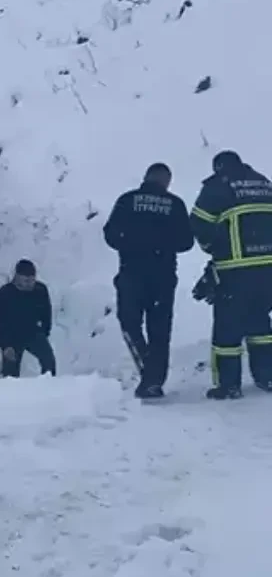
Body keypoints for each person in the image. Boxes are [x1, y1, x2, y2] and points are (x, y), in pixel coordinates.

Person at [102, 162, 195, 399]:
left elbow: (110, 234)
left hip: (131, 272)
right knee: (160, 330)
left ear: (146, 177)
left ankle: (148, 370)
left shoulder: (127, 200)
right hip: (163, 276)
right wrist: (162, 243)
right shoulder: (175, 204)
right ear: (167, 181)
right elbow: (186, 242)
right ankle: (154, 380)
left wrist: (131, 242)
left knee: (129, 323)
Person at [189, 150, 272, 400]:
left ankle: (229, 385)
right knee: (260, 324)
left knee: (227, 329)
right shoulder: (264, 183)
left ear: (219, 167)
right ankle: (267, 376)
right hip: (268, 269)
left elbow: (199, 225)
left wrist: (214, 250)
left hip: (236, 270)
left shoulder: (218, 187)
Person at [0, 259, 56, 377]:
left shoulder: (40, 290)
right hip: (10, 337)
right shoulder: (5, 294)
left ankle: (48, 388)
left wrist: (44, 332)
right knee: (10, 374)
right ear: (17, 278)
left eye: (32, 280)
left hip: (32, 332)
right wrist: (4, 345)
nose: (30, 284)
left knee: (49, 360)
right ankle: (10, 393)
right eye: (26, 280)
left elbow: (46, 314)